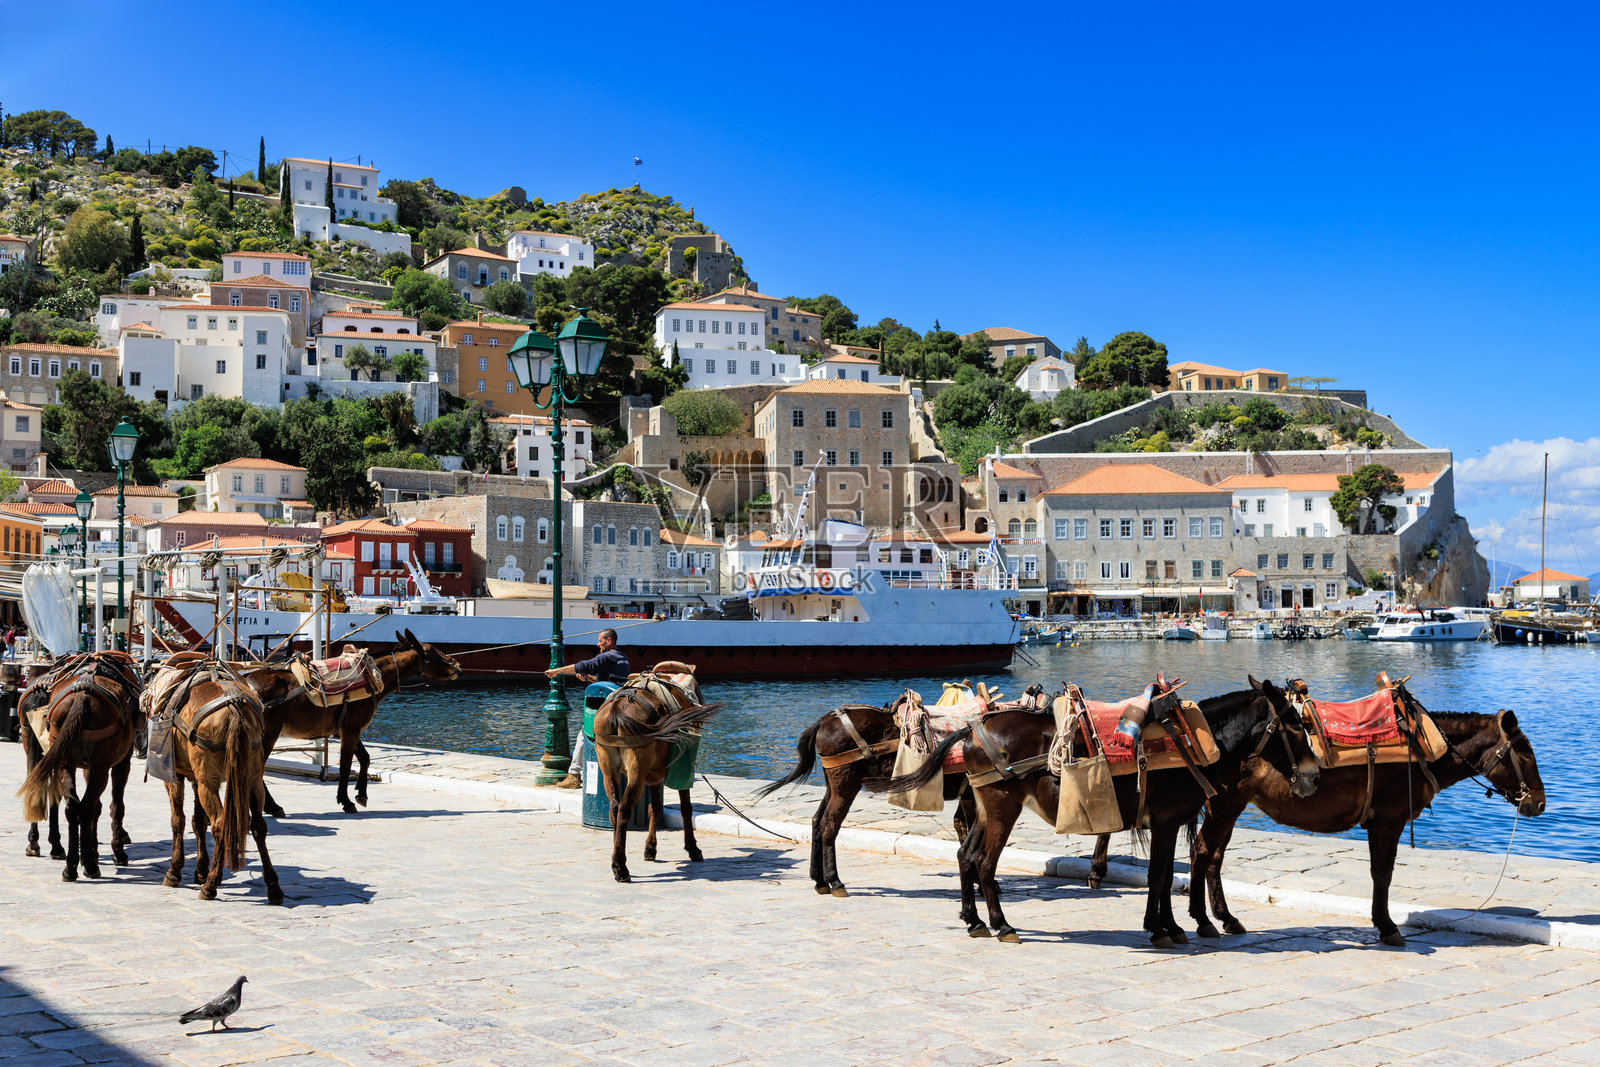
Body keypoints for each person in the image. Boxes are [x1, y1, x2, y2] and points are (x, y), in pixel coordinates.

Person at [545, 628, 630, 685]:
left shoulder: (606, 656)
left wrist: (557, 671)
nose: (598, 644)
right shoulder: (623, 657)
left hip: (607, 700)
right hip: (619, 696)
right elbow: (610, 682)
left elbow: (583, 666)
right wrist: (588, 678)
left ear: (608, 641)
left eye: (600, 641)